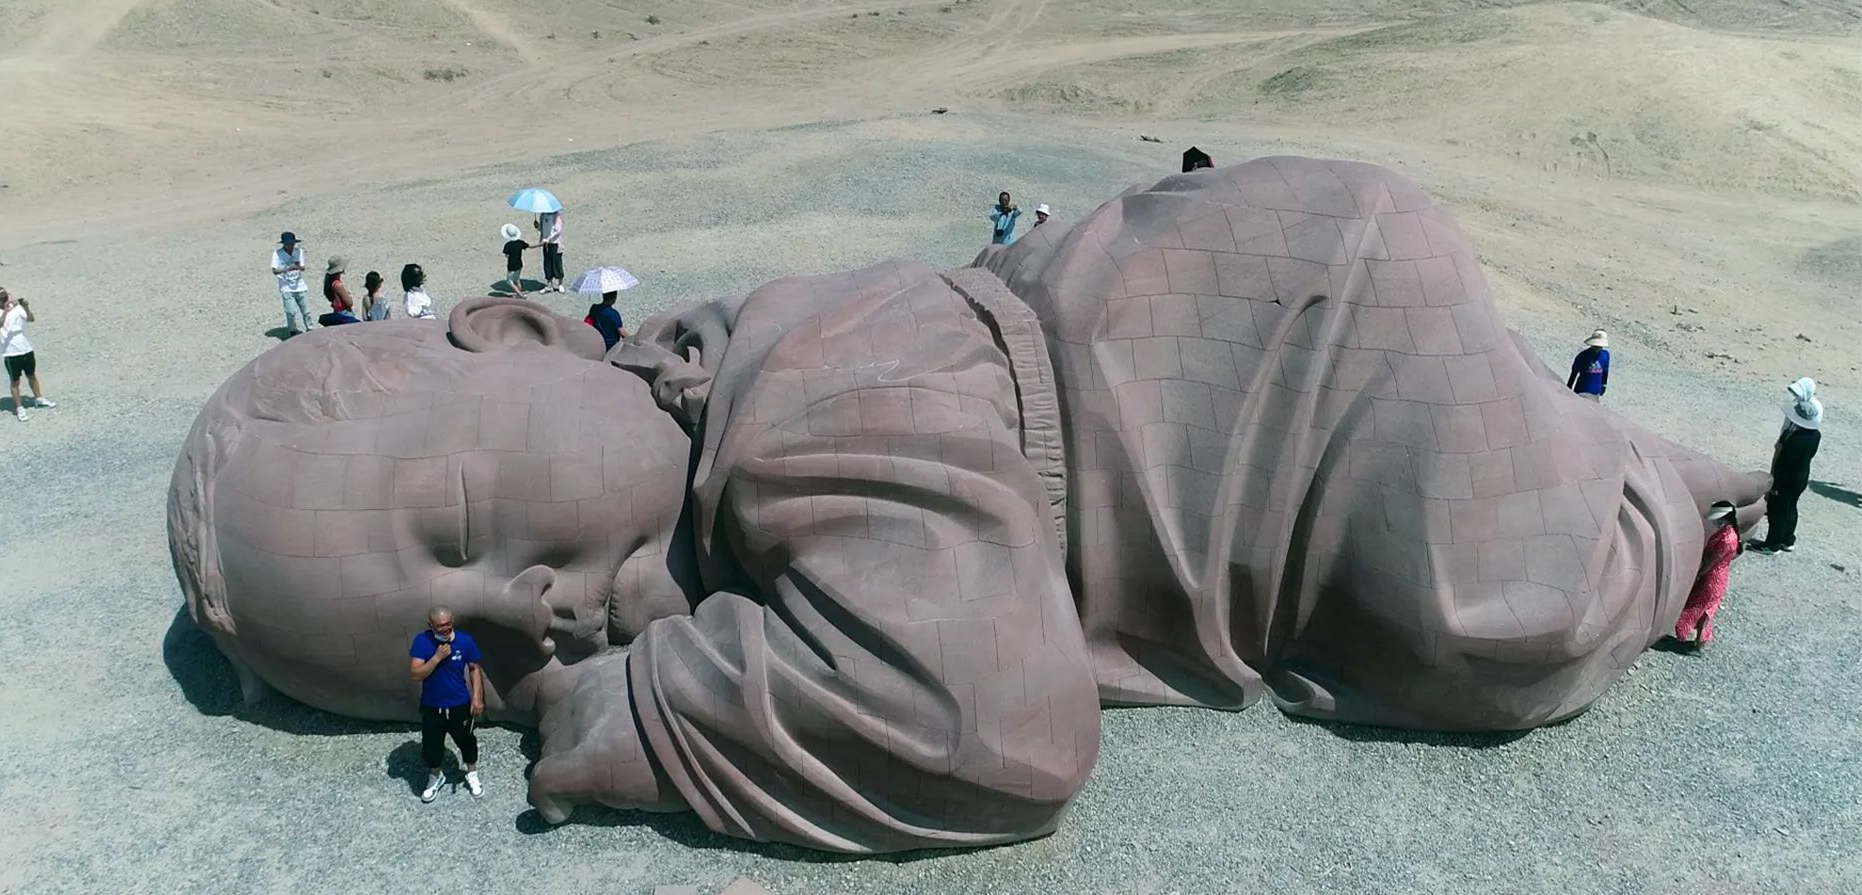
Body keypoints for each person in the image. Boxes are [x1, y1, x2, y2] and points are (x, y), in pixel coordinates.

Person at [173, 158, 1769, 854]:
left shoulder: (800, 399)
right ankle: (1627, 455)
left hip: (1297, 352)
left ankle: (1671, 487)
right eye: (453, 636)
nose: (532, 607)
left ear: (525, 330)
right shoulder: (739, 479)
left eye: (464, 519)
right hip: (1202, 413)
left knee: (1502, 614)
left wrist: (635, 711)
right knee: (1494, 530)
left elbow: (996, 723)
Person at [407, 606, 485, 802]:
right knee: (432, 745)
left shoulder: (465, 641)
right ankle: (435, 776)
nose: (447, 628)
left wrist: (477, 697)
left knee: (466, 740)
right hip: (432, 705)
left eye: (449, 623)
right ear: (430, 626)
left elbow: (475, 669)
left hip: (459, 703)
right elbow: (416, 675)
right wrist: (436, 658)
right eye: (441, 625)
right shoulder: (422, 642)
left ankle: (472, 773)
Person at [1750, 377, 1823, 554]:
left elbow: (1783, 462)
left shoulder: (1793, 441)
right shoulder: (1814, 436)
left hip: (1786, 479)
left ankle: (1772, 543)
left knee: (1778, 510)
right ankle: (1787, 539)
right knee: (1791, 508)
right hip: (1800, 477)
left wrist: (1774, 484)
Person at [1675, 501, 1740, 651]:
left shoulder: (1727, 538)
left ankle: (1698, 640)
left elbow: (1713, 560)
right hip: (1717, 577)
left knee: (1699, 607)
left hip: (1712, 578)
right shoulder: (1729, 533)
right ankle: (1699, 640)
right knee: (1706, 609)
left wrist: (1699, 573)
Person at [0, 286, 56, 421]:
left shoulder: (17, 308)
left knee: (32, 375)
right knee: (15, 381)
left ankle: (39, 398)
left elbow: (31, 319)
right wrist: (6, 312)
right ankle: (19, 408)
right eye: (2, 299)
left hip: (26, 348)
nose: (6, 300)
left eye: (6, 297)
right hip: (11, 352)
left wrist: (26, 307)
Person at [271, 232, 313, 335]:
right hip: (286, 287)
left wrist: (298, 266)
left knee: (306, 310)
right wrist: (287, 268)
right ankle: (293, 330)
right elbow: (275, 270)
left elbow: (303, 267)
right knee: (290, 312)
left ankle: (310, 329)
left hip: (300, 285)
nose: (291, 245)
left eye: (292, 243)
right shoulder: (277, 254)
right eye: (288, 244)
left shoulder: (299, 252)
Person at [1566, 329, 1610, 400]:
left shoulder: (1605, 355)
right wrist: (1569, 387)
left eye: (1599, 346)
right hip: (1582, 391)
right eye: (1596, 346)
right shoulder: (1583, 356)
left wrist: (1604, 385)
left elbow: (1605, 372)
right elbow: (1574, 373)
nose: (1597, 348)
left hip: (1596, 392)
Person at [318, 257, 359, 326]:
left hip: (337, 311)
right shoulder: (338, 285)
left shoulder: (330, 282)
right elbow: (349, 303)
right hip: (344, 312)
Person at [501, 223, 533, 299]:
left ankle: (520, 295)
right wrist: (540, 244)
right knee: (517, 279)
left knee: (510, 282)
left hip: (511, 266)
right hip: (519, 264)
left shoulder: (508, 245)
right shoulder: (520, 243)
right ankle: (519, 294)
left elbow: (506, 255)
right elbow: (529, 246)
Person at [537, 211, 565, 293]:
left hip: (555, 243)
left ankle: (560, 284)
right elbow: (542, 228)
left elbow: (558, 230)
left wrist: (548, 239)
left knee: (557, 263)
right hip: (546, 243)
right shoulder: (543, 215)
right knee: (547, 263)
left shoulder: (556, 215)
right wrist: (537, 226)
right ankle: (549, 285)